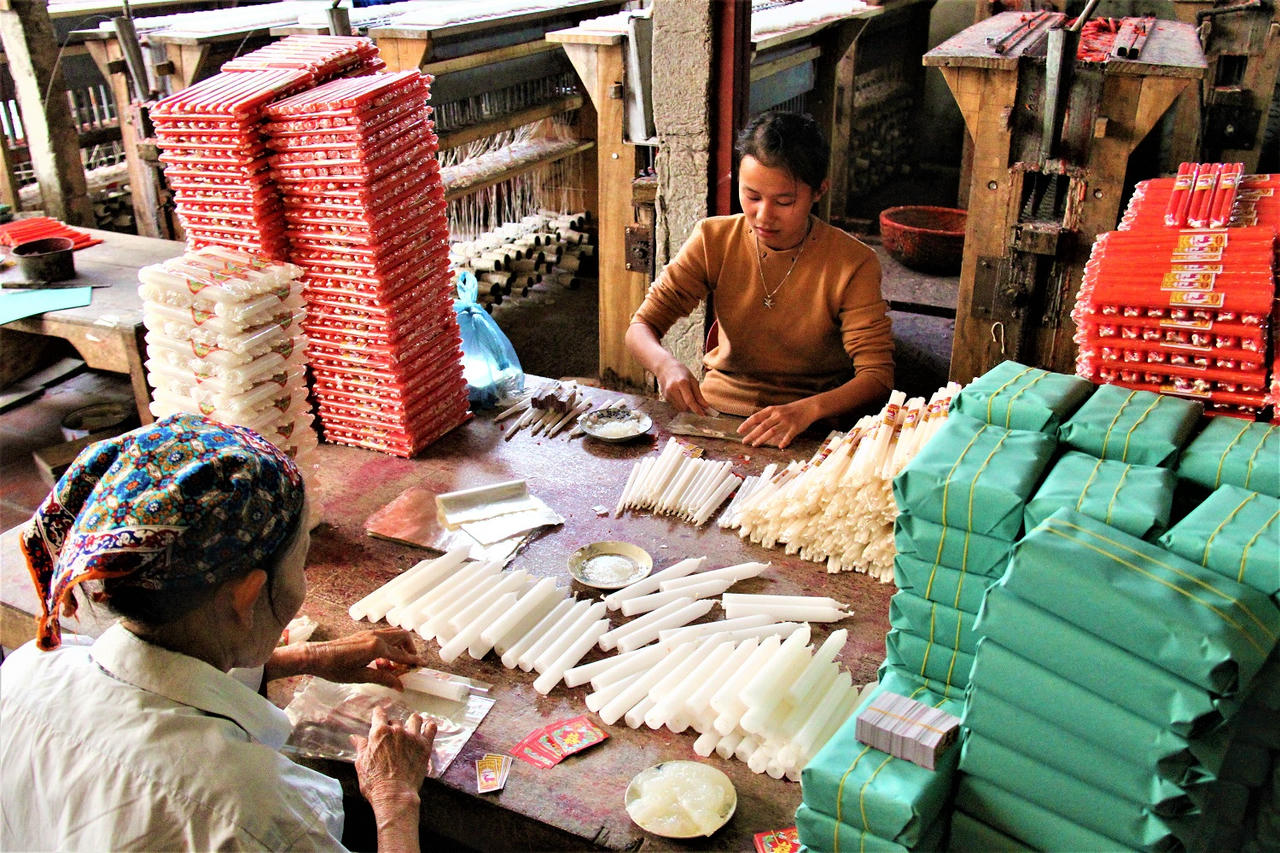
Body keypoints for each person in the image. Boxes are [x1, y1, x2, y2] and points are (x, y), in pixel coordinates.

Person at [1, 414, 436, 852]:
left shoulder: (25, 673)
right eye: (300, 562)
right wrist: (395, 798)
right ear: (247, 596)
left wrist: (305, 658)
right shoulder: (251, 816)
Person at [626, 110, 894, 449]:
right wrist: (665, 366)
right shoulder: (713, 239)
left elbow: (877, 376)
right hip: (716, 412)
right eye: (752, 196)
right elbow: (640, 327)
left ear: (819, 191)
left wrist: (808, 410)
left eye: (784, 201)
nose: (764, 216)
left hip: (809, 427)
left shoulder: (853, 262)